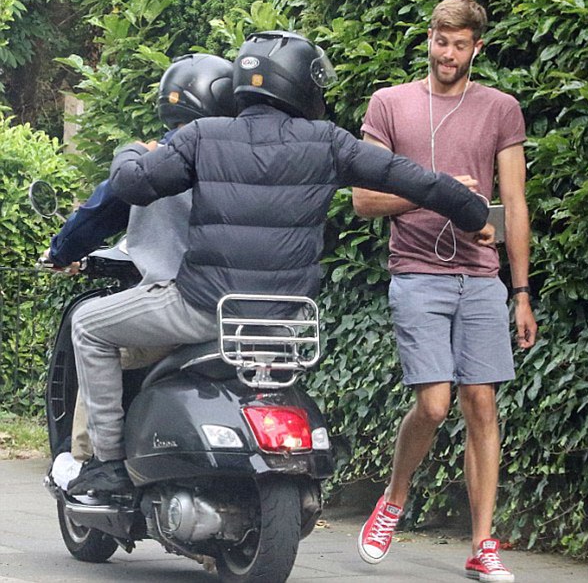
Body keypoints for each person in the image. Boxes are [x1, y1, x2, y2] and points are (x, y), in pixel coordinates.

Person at [66, 30, 493, 497]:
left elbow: (132, 185)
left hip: (203, 310)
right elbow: (415, 180)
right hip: (287, 321)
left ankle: (108, 463)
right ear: (298, 85)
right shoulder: (328, 142)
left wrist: (130, 150)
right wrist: (474, 216)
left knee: (88, 324)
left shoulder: (203, 135)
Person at [353, 0, 538, 583]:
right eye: (440, 41)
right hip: (416, 273)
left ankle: (483, 544)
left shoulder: (501, 109)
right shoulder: (389, 104)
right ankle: (394, 497)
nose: (448, 54)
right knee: (434, 404)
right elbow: (363, 200)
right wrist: (435, 191)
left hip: (481, 276)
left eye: (460, 45)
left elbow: (515, 203)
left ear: (476, 48)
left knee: (481, 402)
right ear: (428, 38)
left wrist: (521, 291)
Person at [43, 54, 236, 465]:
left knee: (91, 333)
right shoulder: (256, 159)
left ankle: (94, 462)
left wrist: (61, 251)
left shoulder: (157, 159)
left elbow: (101, 211)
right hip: (255, 310)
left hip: (184, 307)